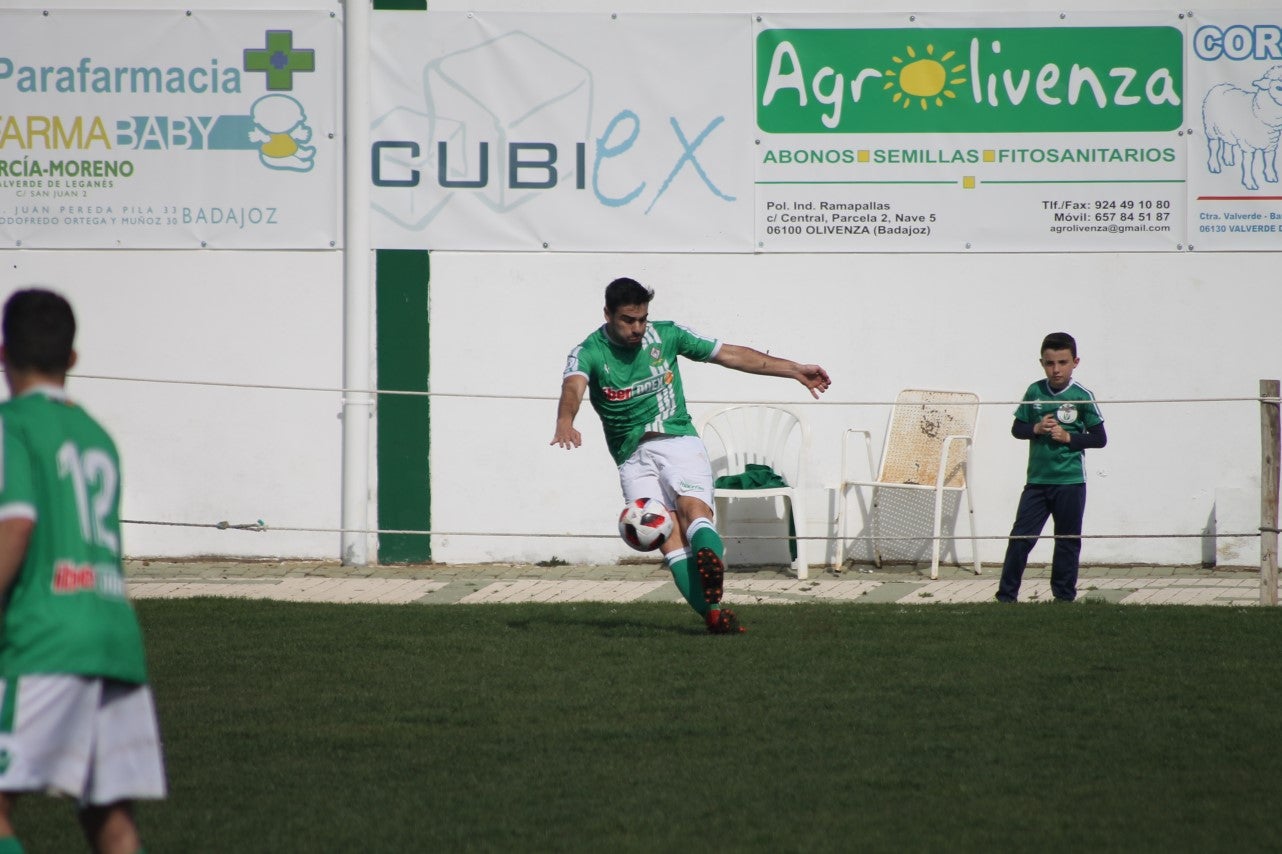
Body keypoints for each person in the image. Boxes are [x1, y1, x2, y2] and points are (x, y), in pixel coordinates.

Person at [551, 277, 831, 634]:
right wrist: (565, 420)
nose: (637, 328)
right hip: (631, 456)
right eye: (627, 320)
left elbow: (730, 354)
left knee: (691, 509)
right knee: (666, 537)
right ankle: (713, 613)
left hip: (676, 439)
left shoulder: (667, 335)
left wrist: (794, 369)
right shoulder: (588, 351)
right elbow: (573, 387)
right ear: (607, 314)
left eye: (642, 319)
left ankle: (709, 573)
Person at [0, 289, 166, 854]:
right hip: (115, 637)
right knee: (110, 820)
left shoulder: (11, 426)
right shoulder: (98, 436)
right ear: (72, 359)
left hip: (46, 635)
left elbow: (16, 526)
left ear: (3, 353)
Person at [996, 331, 1107, 603]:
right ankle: (1006, 597)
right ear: (1042, 363)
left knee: (1067, 541)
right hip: (1037, 481)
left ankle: (1063, 598)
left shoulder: (1082, 396)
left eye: (1062, 362)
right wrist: (1036, 428)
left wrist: (1069, 438)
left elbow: (1099, 438)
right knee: (1021, 538)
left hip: (1070, 482)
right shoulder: (1034, 391)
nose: (1056, 370)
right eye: (1049, 363)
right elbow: (1017, 429)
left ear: (1075, 362)